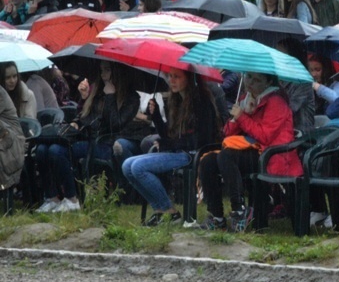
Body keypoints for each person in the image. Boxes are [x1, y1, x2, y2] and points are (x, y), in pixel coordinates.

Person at [198, 71, 300, 231]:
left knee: (226, 156)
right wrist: (236, 117)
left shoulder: (276, 102)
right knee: (208, 161)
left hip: (272, 156)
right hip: (253, 151)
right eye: (248, 77)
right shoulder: (246, 99)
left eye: (256, 79)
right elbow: (227, 134)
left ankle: (239, 210)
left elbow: (265, 136)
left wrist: (242, 117)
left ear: (268, 83)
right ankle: (216, 216)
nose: (250, 82)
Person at [35, 62, 141, 213]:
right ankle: (52, 197)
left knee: (56, 151)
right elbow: (86, 116)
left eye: (107, 70)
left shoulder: (132, 98)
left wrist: (111, 96)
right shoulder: (98, 91)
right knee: (41, 149)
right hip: (85, 138)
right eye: (101, 70)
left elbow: (115, 125)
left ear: (117, 72)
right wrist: (76, 122)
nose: (103, 75)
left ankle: (72, 199)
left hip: (106, 143)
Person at [122, 68, 222, 226]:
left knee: (138, 167)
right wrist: (155, 116)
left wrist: (170, 144)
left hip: (191, 154)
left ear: (189, 78)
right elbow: (168, 135)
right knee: (127, 166)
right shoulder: (176, 101)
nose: (171, 81)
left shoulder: (201, 102)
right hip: (177, 152)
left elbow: (201, 139)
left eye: (177, 77)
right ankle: (161, 209)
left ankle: (169, 211)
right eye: (170, 76)